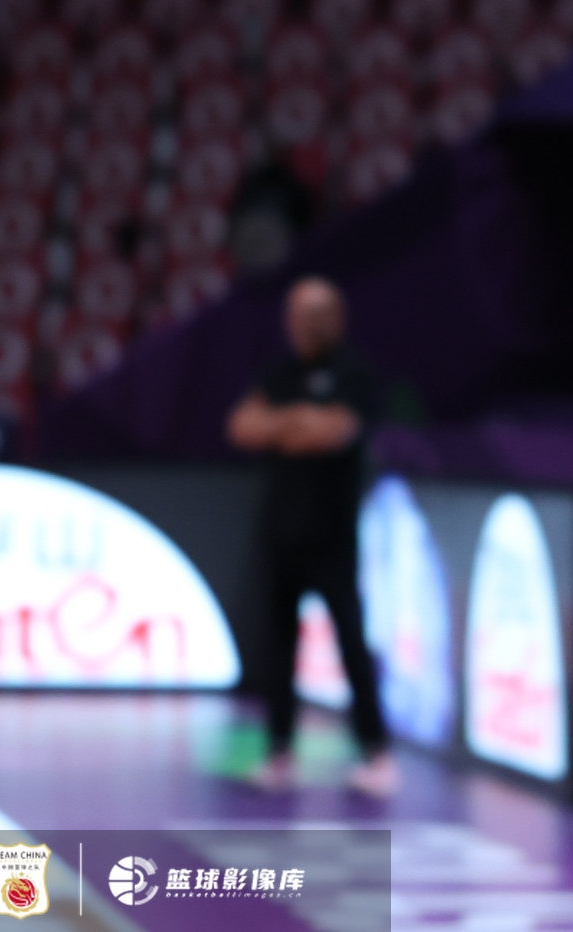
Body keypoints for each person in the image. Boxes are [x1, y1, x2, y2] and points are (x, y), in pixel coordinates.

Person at [225, 276, 396, 796]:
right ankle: (279, 752)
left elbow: (333, 432)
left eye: (317, 314)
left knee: (351, 642)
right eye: (299, 314)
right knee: (278, 646)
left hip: (333, 535)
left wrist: (284, 425)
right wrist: (300, 420)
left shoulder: (354, 374)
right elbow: (242, 427)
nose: (306, 324)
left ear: (336, 319)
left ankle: (375, 752)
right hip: (280, 532)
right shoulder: (279, 372)